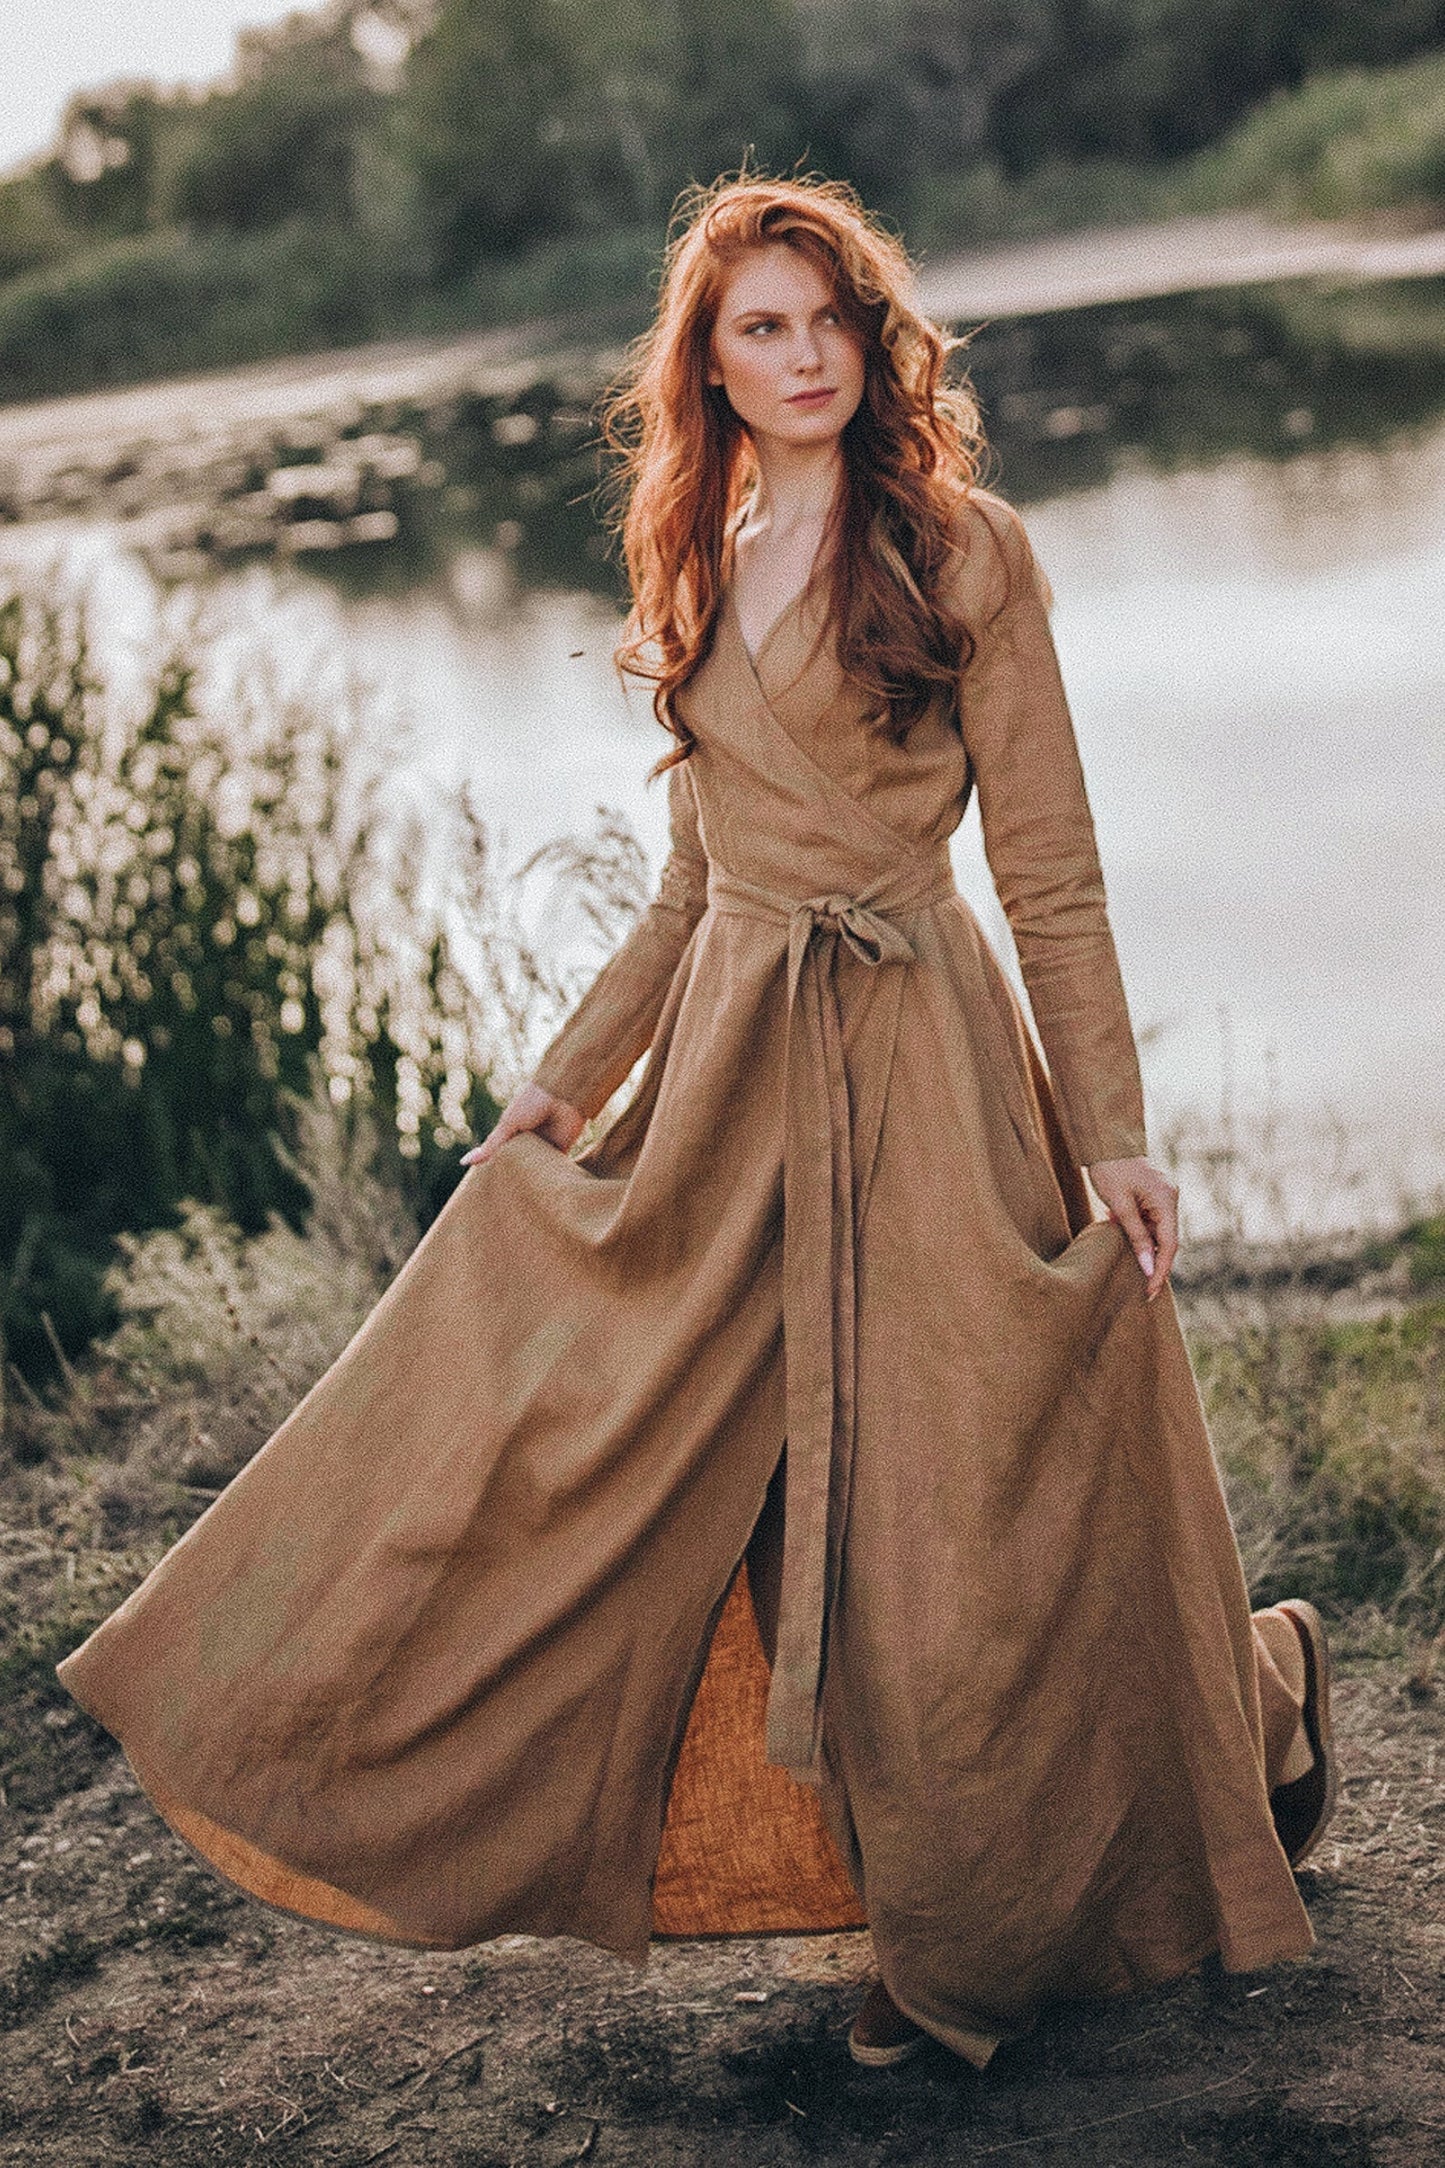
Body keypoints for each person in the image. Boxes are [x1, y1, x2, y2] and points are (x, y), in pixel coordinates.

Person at [57, 175, 1339, 2074]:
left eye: (827, 317)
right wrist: (559, 1089)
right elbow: (690, 887)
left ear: (869, 336)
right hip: (726, 1090)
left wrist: (1114, 1135)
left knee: (953, 1514)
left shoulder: (964, 547)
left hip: (923, 1061)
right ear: (707, 362)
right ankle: (1197, 1743)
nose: (803, 354)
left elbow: (1049, 869)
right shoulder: (696, 558)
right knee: (690, 1490)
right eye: (761, 326)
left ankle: (1050, 1871)